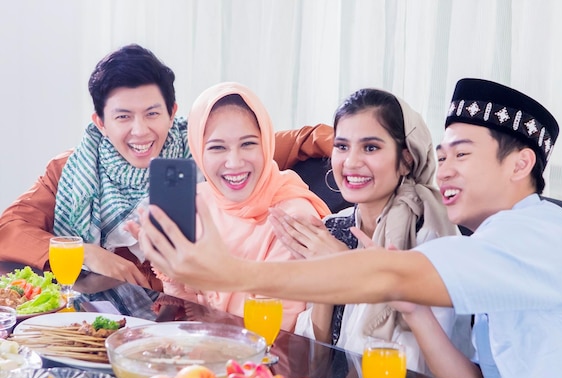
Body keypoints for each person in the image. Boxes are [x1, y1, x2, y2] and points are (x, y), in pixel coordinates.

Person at [137, 78, 562, 378]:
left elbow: (390, 274)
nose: (446, 170)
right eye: (442, 156)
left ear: (520, 165)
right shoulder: (496, 246)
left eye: (463, 154)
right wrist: (409, 306)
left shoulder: (539, 237)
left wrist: (230, 273)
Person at [0, 44, 334, 319]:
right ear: (100, 122)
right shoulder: (70, 170)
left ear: (172, 112)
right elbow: (11, 227)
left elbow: (294, 140)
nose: (140, 130)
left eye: (152, 113)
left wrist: (361, 153)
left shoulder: (205, 148)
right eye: (123, 117)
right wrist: (86, 252)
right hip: (92, 320)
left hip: (181, 319)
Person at [270, 87, 471, 378]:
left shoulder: (430, 236)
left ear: (406, 159)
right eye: (342, 146)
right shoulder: (333, 227)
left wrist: (347, 266)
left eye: (371, 147)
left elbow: (430, 366)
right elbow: (317, 363)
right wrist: (326, 282)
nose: (351, 162)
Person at [148, 82, 331, 330]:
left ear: (266, 143)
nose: (234, 162)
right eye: (217, 147)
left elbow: (278, 333)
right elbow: (187, 305)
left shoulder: (294, 219)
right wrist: (172, 273)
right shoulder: (198, 201)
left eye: (248, 144)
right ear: (198, 151)